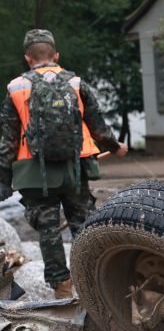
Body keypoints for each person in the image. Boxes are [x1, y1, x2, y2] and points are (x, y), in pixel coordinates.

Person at [0, 29, 127, 298]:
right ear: (56, 55)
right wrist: (117, 149)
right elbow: (99, 129)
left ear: (27, 58)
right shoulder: (76, 83)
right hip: (76, 168)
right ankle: (96, 282)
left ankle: (62, 289)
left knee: (48, 230)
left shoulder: (16, 87)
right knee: (83, 225)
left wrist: (3, 180)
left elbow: (8, 140)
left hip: (34, 173)